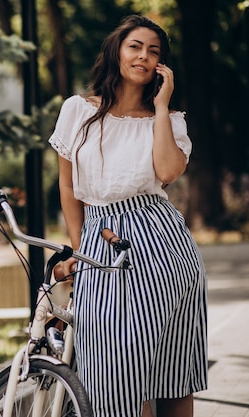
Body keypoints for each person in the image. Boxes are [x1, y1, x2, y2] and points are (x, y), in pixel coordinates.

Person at [48, 15, 208, 417]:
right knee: (114, 373)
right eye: (136, 46)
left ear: (162, 65)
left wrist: (160, 105)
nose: (144, 56)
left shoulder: (168, 121)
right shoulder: (78, 110)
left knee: (173, 372)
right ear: (117, 50)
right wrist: (79, 244)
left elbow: (168, 172)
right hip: (102, 242)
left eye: (154, 51)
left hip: (163, 245)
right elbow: (68, 187)